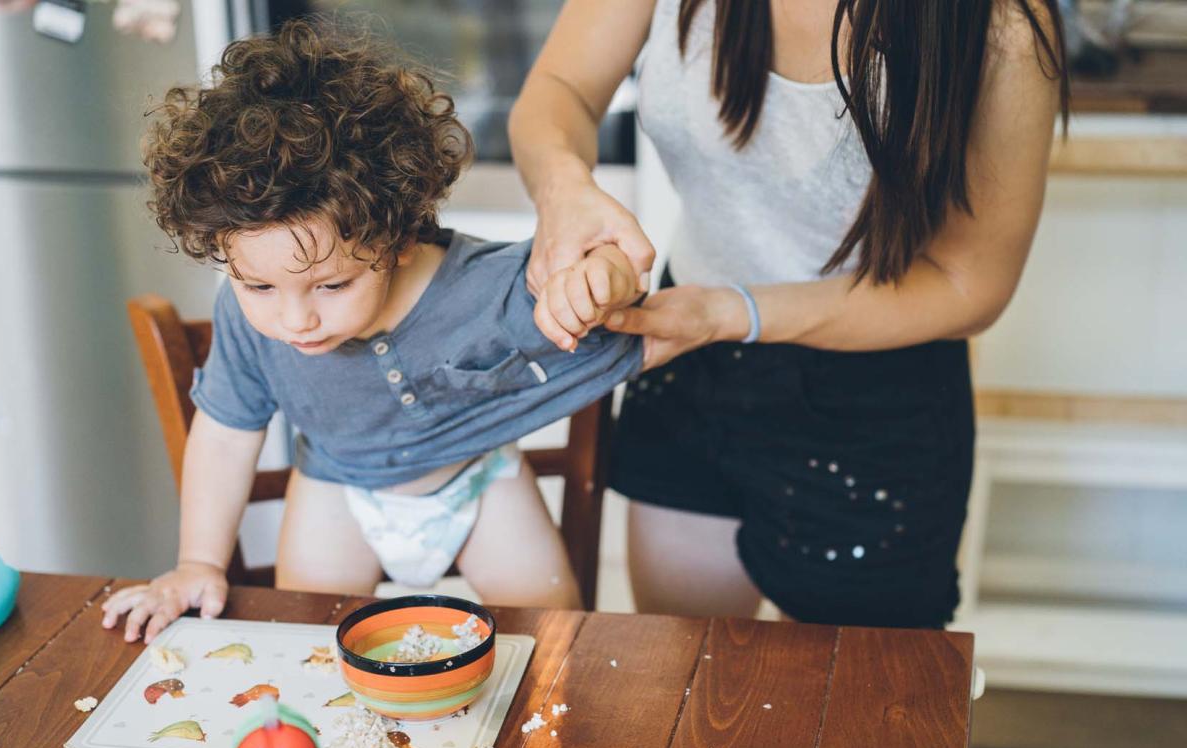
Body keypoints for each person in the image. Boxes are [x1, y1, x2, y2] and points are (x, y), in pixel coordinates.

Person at [508, 0, 1069, 627]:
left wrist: (733, 311)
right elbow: (561, 90)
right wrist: (563, 188)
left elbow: (971, 284)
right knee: (685, 681)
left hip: (876, 393)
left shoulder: (1000, 26)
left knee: (862, 708)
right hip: (690, 354)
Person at [102, 19, 644, 644]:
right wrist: (198, 563)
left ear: (401, 238)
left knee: (554, 640)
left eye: (331, 286)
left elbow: (602, 277)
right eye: (260, 287)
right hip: (336, 490)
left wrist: (603, 275)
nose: (295, 319)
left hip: (477, 481)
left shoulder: (485, 286)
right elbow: (225, 436)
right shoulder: (244, 316)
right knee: (307, 641)